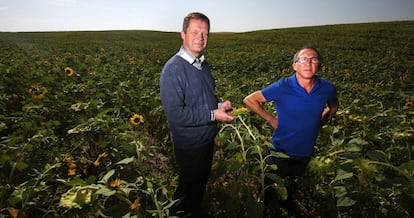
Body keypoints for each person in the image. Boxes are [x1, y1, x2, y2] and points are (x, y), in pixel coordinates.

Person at [243, 46, 339, 217]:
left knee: (290, 191)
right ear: (295, 65)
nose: (308, 63)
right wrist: (271, 119)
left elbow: (334, 106)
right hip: (279, 151)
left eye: (313, 59)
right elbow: (250, 100)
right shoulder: (283, 86)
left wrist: (321, 122)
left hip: (304, 153)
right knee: (271, 194)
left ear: (319, 65)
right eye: (303, 59)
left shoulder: (327, 88)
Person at [160, 12, 235, 217]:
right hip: (190, 145)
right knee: (187, 191)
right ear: (182, 34)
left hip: (206, 140)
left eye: (205, 33)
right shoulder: (173, 70)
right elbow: (176, 116)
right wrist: (213, 115)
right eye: (194, 32)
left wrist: (219, 105)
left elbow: (200, 100)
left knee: (198, 186)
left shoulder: (202, 65)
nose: (200, 37)